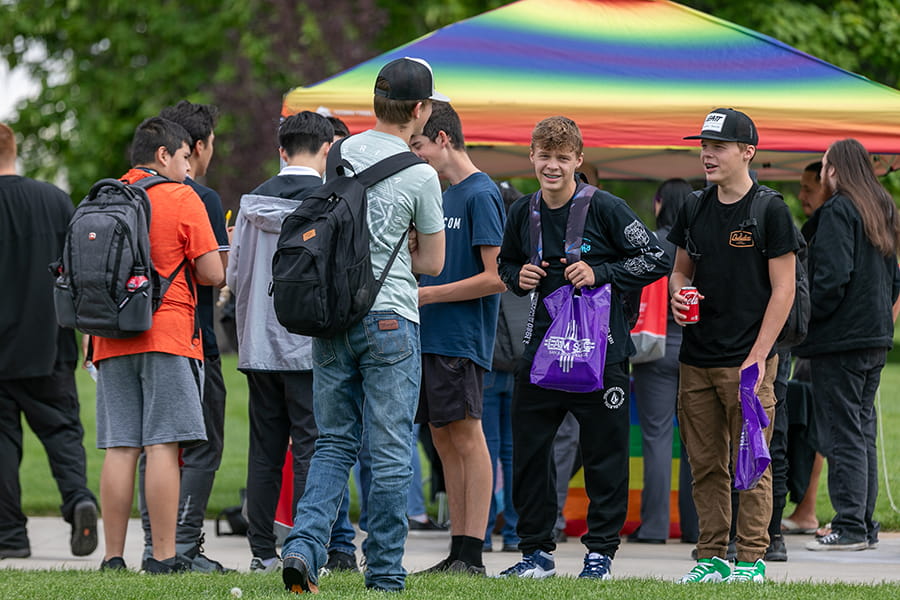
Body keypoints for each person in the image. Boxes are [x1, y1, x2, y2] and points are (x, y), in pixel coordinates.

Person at [279, 57, 446, 594]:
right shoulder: (422, 174)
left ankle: (304, 547)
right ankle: (386, 572)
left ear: (377, 103)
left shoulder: (341, 153)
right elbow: (433, 263)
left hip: (334, 315)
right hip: (391, 317)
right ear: (419, 110)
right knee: (391, 448)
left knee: (332, 442)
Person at [497, 116, 669, 580]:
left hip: (602, 353)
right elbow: (505, 263)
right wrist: (518, 277)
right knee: (530, 455)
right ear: (532, 157)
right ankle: (536, 553)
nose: (552, 166)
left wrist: (601, 273)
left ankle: (600, 555)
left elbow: (656, 258)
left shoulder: (606, 207)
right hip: (540, 354)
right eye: (544, 156)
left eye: (562, 157)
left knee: (605, 456)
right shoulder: (523, 211)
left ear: (578, 160)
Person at [669, 108, 797, 583]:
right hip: (696, 359)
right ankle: (711, 557)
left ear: (747, 152)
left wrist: (758, 356)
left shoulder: (770, 209)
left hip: (748, 362)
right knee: (705, 466)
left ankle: (750, 560)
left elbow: (784, 289)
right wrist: (678, 295)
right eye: (704, 146)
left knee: (752, 466)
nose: (707, 154)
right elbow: (680, 270)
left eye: (718, 146)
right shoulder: (693, 206)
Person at [92, 116, 224, 573]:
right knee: (164, 445)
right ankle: (164, 556)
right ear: (163, 155)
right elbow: (213, 273)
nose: (188, 167)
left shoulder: (104, 195)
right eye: (184, 157)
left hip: (110, 336)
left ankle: (112, 557)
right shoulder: (181, 196)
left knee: (120, 446)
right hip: (167, 334)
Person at [226, 111, 334, 573]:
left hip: (259, 343)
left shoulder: (251, 204)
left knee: (265, 451)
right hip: (311, 345)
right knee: (311, 447)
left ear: (281, 151)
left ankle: (260, 552)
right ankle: (307, 549)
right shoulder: (330, 201)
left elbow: (234, 276)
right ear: (327, 149)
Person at [134, 100, 231, 573]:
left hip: (129, 333)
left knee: (145, 445)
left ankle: (152, 543)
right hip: (188, 337)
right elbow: (215, 272)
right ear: (192, 148)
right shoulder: (198, 198)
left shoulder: (130, 193)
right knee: (200, 444)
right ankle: (184, 545)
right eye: (209, 145)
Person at [409, 101, 506, 575]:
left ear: (443, 139)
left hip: (461, 339)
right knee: (441, 438)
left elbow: (496, 277)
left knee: (468, 437)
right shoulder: (443, 195)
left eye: (418, 145)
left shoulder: (480, 193)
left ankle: (473, 553)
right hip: (429, 337)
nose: (415, 155)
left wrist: (428, 295)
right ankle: (457, 551)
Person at [0, 122, 99, 560]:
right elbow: (80, 268)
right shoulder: (55, 200)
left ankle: (10, 536)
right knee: (61, 430)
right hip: (51, 340)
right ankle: (78, 499)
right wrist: (87, 329)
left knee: (2, 442)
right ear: (14, 149)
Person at [797, 139, 900, 551]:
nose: (822, 174)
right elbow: (895, 280)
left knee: (843, 432)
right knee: (860, 430)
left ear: (835, 169)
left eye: (824, 167)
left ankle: (851, 526)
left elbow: (831, 278)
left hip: (840, 341)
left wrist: (805, 318)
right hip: (873, 338)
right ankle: (863, 524)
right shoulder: (882, 208)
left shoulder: (839, 209)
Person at [629, 178, 698, 545]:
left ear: (659, 204)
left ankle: (654, 527)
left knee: (656, 438)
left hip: (652, 349)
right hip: (694, 349)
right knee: (695, 440)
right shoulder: (699, 242)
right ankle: (695, 527)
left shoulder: (650, 243)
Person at [480, 180, 529, 554]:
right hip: (522, 363)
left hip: (486, 361)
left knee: (484, 451)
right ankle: (514, 533)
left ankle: (479, 532)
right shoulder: (531, 250)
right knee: (515, 452)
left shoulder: (483, 251)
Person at [781, 162, 827, 537]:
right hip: (814, 343)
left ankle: (809, 509)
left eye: (809, 188)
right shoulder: (819, 226)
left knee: (819, 426)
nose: (801, 196)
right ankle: (807, 508)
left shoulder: (832, 225)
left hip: (823, 344)